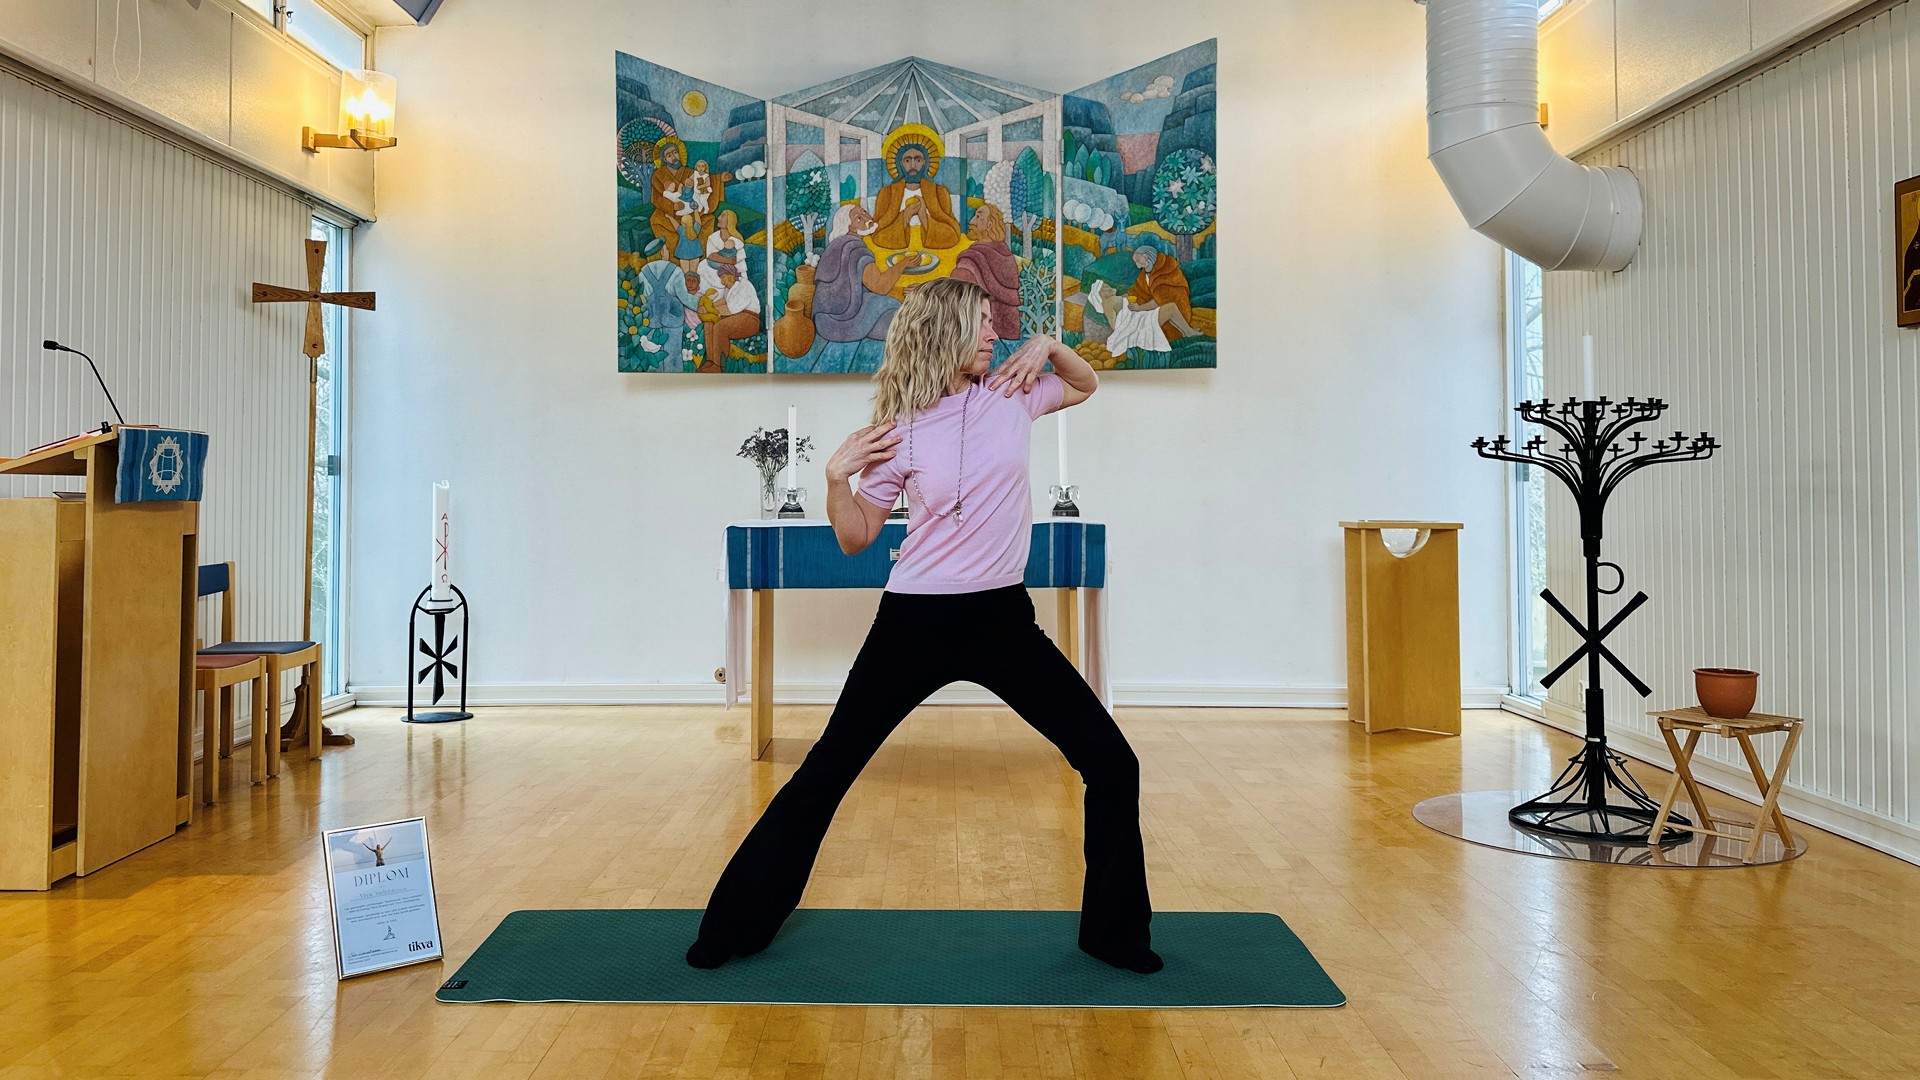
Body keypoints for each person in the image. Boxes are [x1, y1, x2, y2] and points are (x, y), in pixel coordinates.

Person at [686, 277, 1162, 976]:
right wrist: (835, 480)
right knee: (826, 772)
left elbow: (1084, 384)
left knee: (1113, 763)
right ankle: (733, 926)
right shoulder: (899, 429)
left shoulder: (1012, 394)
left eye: (995, 323)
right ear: (944, 331)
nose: (993, 332)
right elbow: (856, 537)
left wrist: (1048, 343)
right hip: (913, 621)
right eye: (980, 323)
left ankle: (1114, 937)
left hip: (1002, 621)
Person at [812, 204, 922, 343]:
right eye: (858, 218)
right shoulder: (855, 249)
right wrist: (903, 264)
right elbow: (880, 287)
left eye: (864, 211)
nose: (866, 217)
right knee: (895, 310)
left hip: (824, 321)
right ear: (850, 227)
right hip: (839, 323)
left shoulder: (838, 244)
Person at [870, 129, 962, 250]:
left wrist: (923, 217)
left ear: (925, 163)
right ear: (901, 163)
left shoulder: (939, 192)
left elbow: (953, 235)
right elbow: (876, 235)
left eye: (918, 160)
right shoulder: (887, 193)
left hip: (933, 251)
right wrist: (905, 216)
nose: (913, 166)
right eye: (908, 160)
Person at [951, 203, 1022, 341]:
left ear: (989, 225)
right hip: (1009, 330)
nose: (972, 222)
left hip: (977, 337)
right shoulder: (1007, 257)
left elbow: (954, 297)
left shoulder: (970, 260)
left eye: (979, 217)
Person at [1126, 238, 1202, 340]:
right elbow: (1135, 292)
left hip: (1177, 317)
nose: (1138, 266)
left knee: (1170, 310)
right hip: (1155, 313)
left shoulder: (1167, 270)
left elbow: (1159, 301)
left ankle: (1187, 331)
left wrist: (1139, 308)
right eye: (1136, 262)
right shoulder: (1145, 273)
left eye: (1139, 261)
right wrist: (1118, 296)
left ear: (1146, 257)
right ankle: (1188, 331)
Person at [701, 260, 760, 372]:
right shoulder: (729, 287)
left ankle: (719, 365)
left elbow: (730, 309)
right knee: (709, 322)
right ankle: (710, 360)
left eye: (723, 278)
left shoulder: (744, 286)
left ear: (731, 276)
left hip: (750, 319)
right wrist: (709, 305)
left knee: (720, 327)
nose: (722, 282)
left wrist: (709, 310)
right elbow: (725, 300)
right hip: (737, 316)